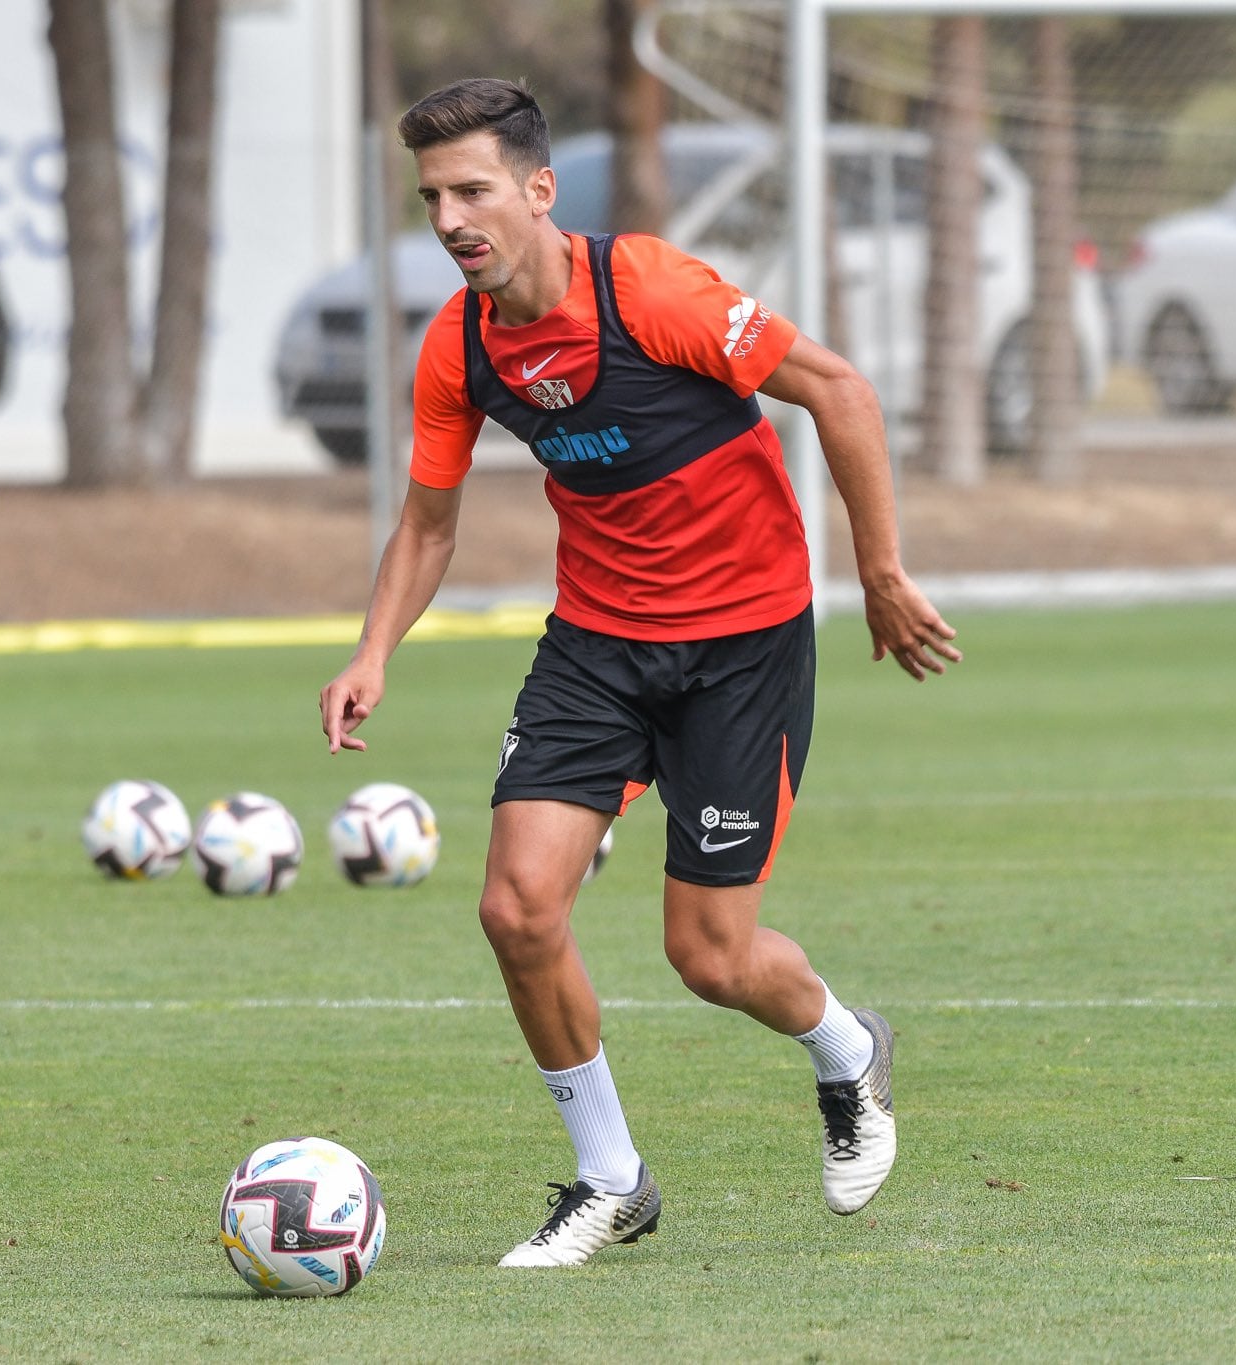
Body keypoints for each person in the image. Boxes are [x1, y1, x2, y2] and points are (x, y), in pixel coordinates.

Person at [318, 78, 960, 1267]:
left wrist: (878, 570)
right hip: (597, 645)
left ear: (537, 190)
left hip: (741, 648)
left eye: (473, 190)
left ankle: (844, 1050)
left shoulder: (649, 289)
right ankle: (609, 1177)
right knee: (514, 908)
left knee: (708, 958)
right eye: (430, 197)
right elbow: (424, 525)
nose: (451, 217)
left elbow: (836, 390)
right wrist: (371, 654)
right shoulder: (459, 345)